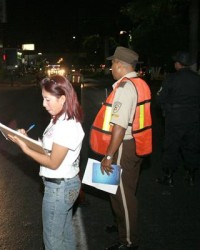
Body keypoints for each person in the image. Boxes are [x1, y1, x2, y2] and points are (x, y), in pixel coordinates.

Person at [8, 75, 85, 250]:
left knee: (53, 242)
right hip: (65, 185)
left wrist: (25, 149)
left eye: (48, 99)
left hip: (59, 188)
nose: (44, 104)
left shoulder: (66, 125)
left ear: (63, 98)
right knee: (65, 235)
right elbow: (51, 150)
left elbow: (53, 162)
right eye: (43, 98)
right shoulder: (61, 118)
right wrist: (26, 139)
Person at [90, 46, 152, 250]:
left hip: (123, 146)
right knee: (117, 189)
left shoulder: (125, 89)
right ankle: (121, 226)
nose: (110, 68)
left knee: (123, 194)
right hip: (135, 144)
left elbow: (119, 125)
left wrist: (108, 155)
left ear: (120, 65)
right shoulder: (140, 83)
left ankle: (128, 241)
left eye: (112, 64)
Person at [156, 51, 200, 187]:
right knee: (191, 147)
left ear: (178, 64)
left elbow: (159, 98)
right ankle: (191, 175)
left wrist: (165, 106)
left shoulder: (171, 79)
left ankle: (169, 177)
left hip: (174, 119)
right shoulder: (197, 78)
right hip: (193, 118)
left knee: (171, 147)